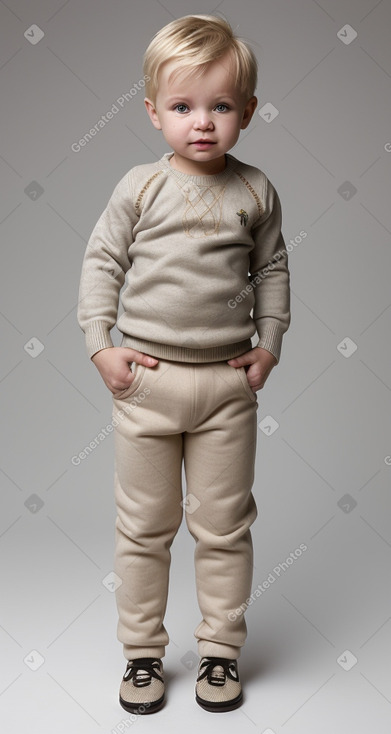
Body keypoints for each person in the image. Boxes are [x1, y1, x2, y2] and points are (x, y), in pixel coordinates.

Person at [77, 14, 291, 715]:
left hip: (226, 387)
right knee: (143, 526)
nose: (202, 123)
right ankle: (142, 654)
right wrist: (101, 345)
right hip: (147, 385)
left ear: (248, 112)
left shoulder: (255, 190)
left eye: (221, 106)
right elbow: (101, 262)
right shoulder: (140, 186)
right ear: (152, 111)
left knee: (225, 525)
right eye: (182, 106)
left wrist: (268, 344)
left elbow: (273, 270)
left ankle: (220, 652)